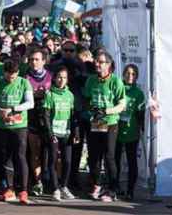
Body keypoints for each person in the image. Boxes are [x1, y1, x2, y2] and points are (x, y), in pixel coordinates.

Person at [84, 51, 126, 202]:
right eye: (96, 61)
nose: (97, 64)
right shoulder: (91, 80)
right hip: (96, 122)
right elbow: (87, 99)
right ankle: (96, 185)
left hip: (111, 122)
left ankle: (112, 189)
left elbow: (122, 104)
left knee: (109, 156)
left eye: (101, 62)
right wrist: (92, 108)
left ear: (108, 65)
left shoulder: (116, 81)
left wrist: (106, 111)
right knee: (94, 156)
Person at [0, 59, 34, 205]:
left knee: (20, 156)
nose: (11, 78)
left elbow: (30, 103)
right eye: (9, 76)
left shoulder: (24, 82)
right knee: (5, 157)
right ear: (4, 72)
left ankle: (23, 190)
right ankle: (9, 188)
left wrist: (13, 109)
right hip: (3, 126)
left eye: (14, 75)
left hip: (20, 126)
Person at [43, 67, 79, 201]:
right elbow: (46, 116)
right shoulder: (50, 94)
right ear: (54, 78)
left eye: (64, 77)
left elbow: (73, 116)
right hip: (54, 133)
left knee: (68, 161)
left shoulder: (70, 95)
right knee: (52, 160)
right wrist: (50, 133)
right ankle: (55, 189)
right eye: (59, 77)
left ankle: (64, 186)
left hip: (66, 133)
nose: (61, 80)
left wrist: (76, 132)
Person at [25, 47, 53, 196]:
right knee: (34, 152)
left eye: (37, 59)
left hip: (49, 120)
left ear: (44, 61)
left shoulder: (51, 76)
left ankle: (53, 180)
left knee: (51, 152)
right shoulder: (25, 77)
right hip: (32, 119)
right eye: (31, 59)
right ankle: (37, 182)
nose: (34, 62)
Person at [115, 64, 145, 200]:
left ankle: (130, 191)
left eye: (133, 74)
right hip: (115, 130)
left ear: (137, 76)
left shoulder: (138, 93)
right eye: (127, 73)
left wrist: (141, 128)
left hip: (131, 131)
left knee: (132, 161)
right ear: (123, 74)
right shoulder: (118, 88)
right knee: (114, 161)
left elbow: (140, 114)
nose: (130, 76)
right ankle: (114, 188)